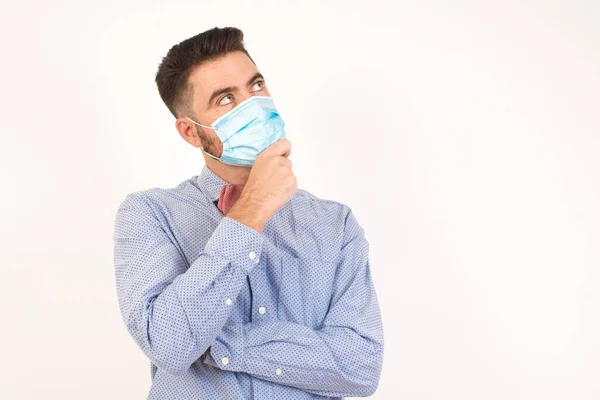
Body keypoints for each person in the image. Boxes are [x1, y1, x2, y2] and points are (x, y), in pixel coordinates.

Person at [112, 26, 384, 399]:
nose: (253, 106)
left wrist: (218, 346)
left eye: (256, 87)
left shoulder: (334, 224)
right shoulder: (150, 214)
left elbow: (361, 367)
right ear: (191, 133)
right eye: (225, 99)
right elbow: (170, 345)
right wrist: (252, 209)